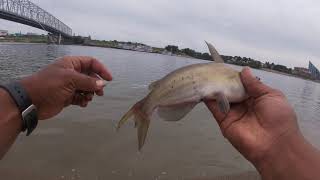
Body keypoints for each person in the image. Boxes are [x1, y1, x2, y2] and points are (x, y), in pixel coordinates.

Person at [0, 56, 319, 179]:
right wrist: (280, 148)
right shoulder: (231, 79)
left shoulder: (235, 86)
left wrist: (22, 100)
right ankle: (145, 110)